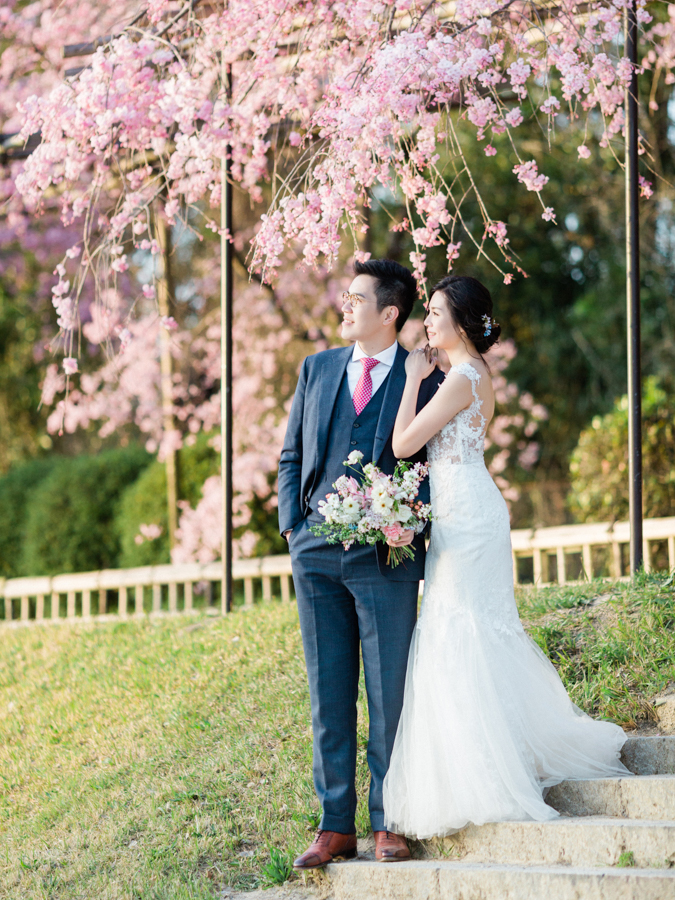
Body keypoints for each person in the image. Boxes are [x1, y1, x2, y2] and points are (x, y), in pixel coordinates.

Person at [382, 274, 629, 838]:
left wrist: (410, 380)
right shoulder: (467, 374)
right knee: (467, 627)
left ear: (463, 323)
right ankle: (473, 761)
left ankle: (486, 772)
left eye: (439, 312)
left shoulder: (461, 377)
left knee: (458, 628)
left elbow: (402, 446)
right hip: (464, 511)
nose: (430, 321)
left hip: (465, 518)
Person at [278, 259, 444, 869]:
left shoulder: (421, 373)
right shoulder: (317, 368)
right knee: (328, 692)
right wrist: (292, 527)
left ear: (390, 312)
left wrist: (409, 516)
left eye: (356, 298)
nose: (344, 306)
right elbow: (292, 453)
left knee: (389, 690)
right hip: (316, 551)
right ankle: (334, 824)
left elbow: (434, 461)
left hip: (387, 552)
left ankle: (389, 821)